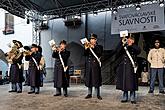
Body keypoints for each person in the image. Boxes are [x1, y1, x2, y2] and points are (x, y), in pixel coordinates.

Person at [115, 35, 141, 104]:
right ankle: (125, 97)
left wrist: (131, 45)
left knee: (132, 82)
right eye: (127, 39)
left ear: (133, 40)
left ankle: (132, 98)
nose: (128, 40)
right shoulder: (124, 46)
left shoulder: (134, 46)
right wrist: (122, 44)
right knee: (124, 82)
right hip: (124, 67)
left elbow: (138, 51)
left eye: (130, 39)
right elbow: (117, 52)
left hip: (132, 67)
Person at [84, 34, 103, 100]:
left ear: (96, 40)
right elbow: (85, 54)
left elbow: (99, 53)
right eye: (91, 39)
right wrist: (86, 49)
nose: (92, 40)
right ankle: (89, 94)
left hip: (95, 66)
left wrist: (93, 47)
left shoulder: (99, 46)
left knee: (96, 80)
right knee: (89, 79)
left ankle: (98, 94)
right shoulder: (88, 46)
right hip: (89, 65)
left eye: (93, 39)